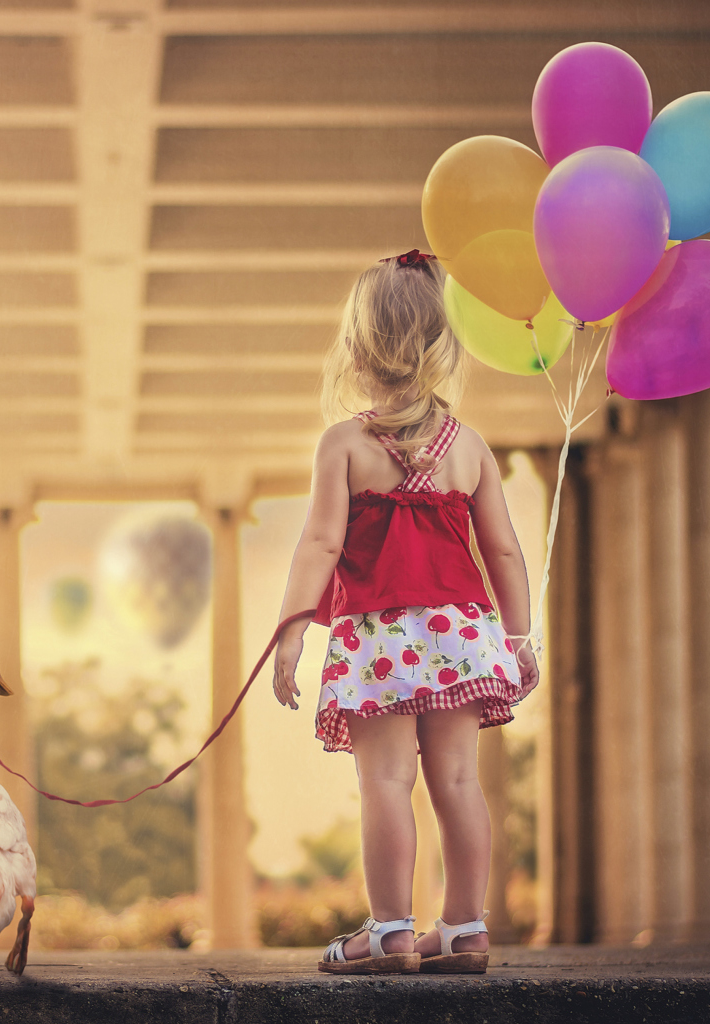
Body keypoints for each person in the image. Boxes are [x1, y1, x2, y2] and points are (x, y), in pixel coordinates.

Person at [272, 249, 539, 975]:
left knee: (385, 782)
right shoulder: (470, 449)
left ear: (356, 352)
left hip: (380, 638)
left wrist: (292, 630)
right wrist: (518, 638)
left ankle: (390, 931)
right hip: (462, 634)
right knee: (457, 782)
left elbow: (321, 543)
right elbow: (506, 553)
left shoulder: (345, 446)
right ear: (446, 350)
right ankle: (465, 928)